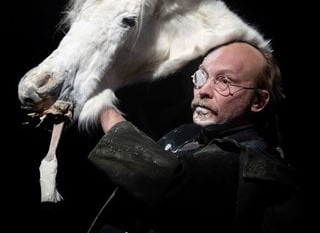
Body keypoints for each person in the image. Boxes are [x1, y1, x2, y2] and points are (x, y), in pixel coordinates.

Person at [87, 41, 301, 233]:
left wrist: (102, 107)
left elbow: (167, 180)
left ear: (257, 101)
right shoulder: (187, 135)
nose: (203, 90)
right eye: (202, 75)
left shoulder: (255, 163)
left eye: (224, 81)